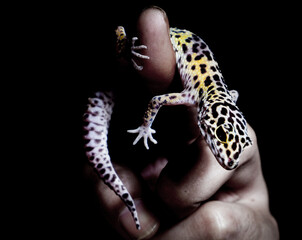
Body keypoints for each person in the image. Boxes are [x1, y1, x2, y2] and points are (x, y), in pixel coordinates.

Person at [85, 6, 279, 240]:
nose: (228, 159)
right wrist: (146, 127)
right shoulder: (194, 96)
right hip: (143, 56)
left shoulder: (223, 98)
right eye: (221, 137)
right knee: (131, 47)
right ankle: (121, 42)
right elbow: (156, 101)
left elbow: (232, 99)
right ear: (207, 118)